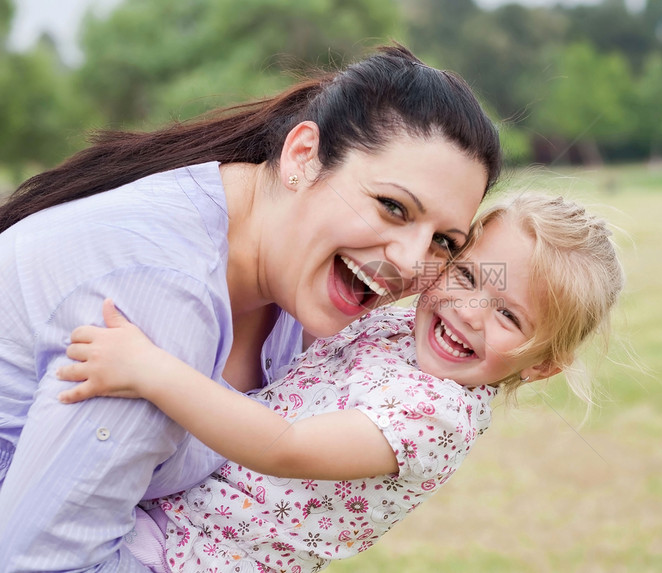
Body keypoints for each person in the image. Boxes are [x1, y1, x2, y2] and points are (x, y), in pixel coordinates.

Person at [0, 44, 501, 571]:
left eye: (444, 241)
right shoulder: (162, 297)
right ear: (302, 157)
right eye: (392, 207)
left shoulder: (293, 282)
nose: (409, 261)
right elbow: (41, 562)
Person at [56, 194, 625, 572]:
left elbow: (286, 447)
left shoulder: (436, 416)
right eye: (469, 274)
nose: (470, 311)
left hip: (191, 557)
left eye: (509, 316)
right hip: (166, 508)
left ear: (543, 364)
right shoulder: (416, 322)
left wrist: (153, 371)